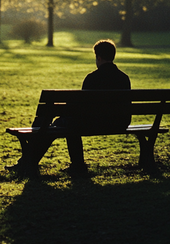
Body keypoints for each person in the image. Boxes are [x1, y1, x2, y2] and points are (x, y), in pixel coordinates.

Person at [7, 39, 131, 176]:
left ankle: (29, 162)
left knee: (57, 125)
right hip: (120, 123)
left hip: (94, 123)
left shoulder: (92, 78)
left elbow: (83, 108)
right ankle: (34, 162)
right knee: (64, 124)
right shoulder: (124, 78)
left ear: (99, 57)